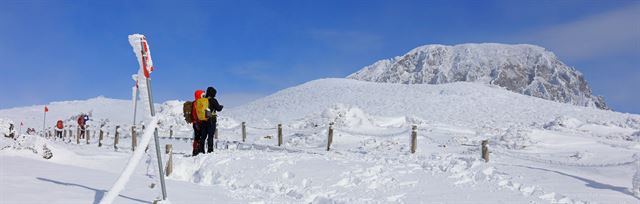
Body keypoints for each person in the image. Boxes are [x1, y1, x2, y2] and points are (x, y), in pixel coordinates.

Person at [204, 87, 224, 153]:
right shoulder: (213, 100)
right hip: (211, 120)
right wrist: (221, 106)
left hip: (204, 120)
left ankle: (201, 149)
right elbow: (218, 108)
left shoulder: (204, 99)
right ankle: (210, 150)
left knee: (203, 136)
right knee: (210, 136)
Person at [192, 90, 206, 156]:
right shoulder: (197, 103)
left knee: (198, 137)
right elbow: (195, 114)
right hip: (197, 122)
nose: (204, 97)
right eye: (203, 95)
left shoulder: (196, 102)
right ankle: (196, 150)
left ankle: (197, 150)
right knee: (198, 137)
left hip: (197, 122)